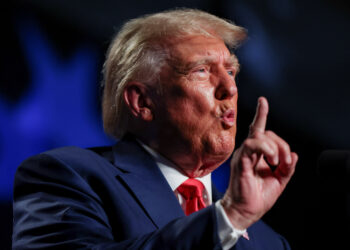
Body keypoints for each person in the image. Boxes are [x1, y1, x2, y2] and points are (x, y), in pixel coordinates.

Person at [12, 9, 298, 249]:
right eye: (202, 70)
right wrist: (227, 219)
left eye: (231, 71)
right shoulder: (67, 176)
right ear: (142, 102)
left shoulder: (268, 242)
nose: (230, 88)